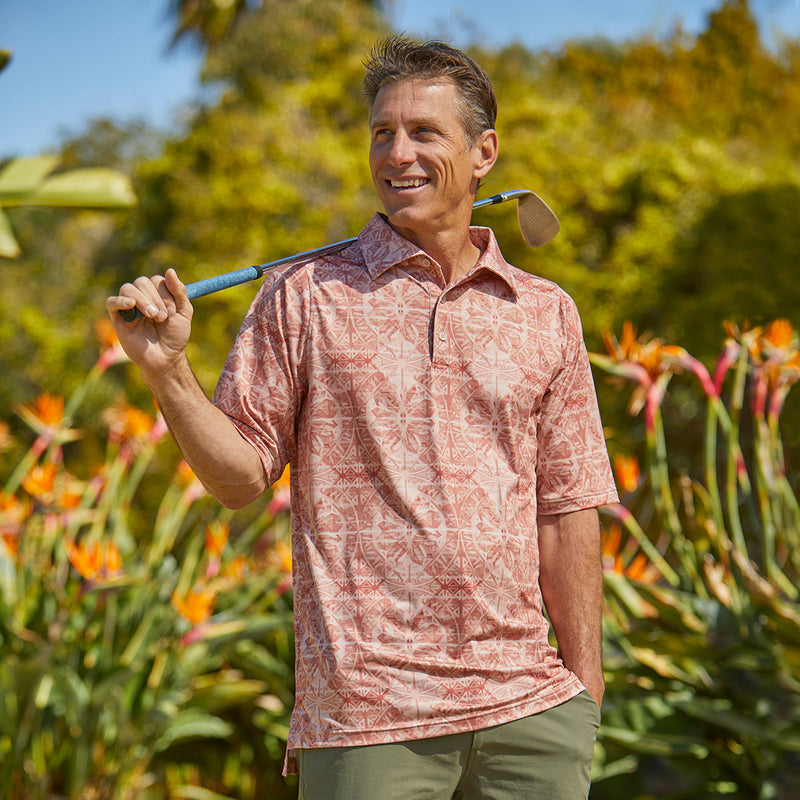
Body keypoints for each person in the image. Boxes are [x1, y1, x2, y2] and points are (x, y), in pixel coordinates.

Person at [107, 34, 619, 800]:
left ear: (484, 153)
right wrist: (167, 372)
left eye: (423, 133)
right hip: (367, 721)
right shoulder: (303, 295)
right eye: (382, 132)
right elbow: (241, 479)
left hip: (531, 715)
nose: (397, 153)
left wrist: (585, 697)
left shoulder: (544, 313)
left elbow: (568, 508)